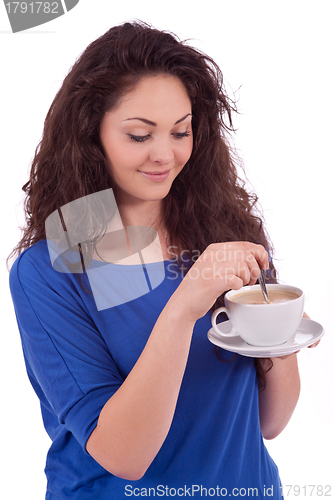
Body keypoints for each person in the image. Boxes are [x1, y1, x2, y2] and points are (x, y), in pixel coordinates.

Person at [9, 21, 311, 499]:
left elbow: (271, 422)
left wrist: (280, 336)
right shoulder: (54, 267)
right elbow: (124, 456)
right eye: (138, 135)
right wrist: (184, 305)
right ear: (92, 135)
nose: (164, 155)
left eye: (180, 131)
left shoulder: (226, 232)